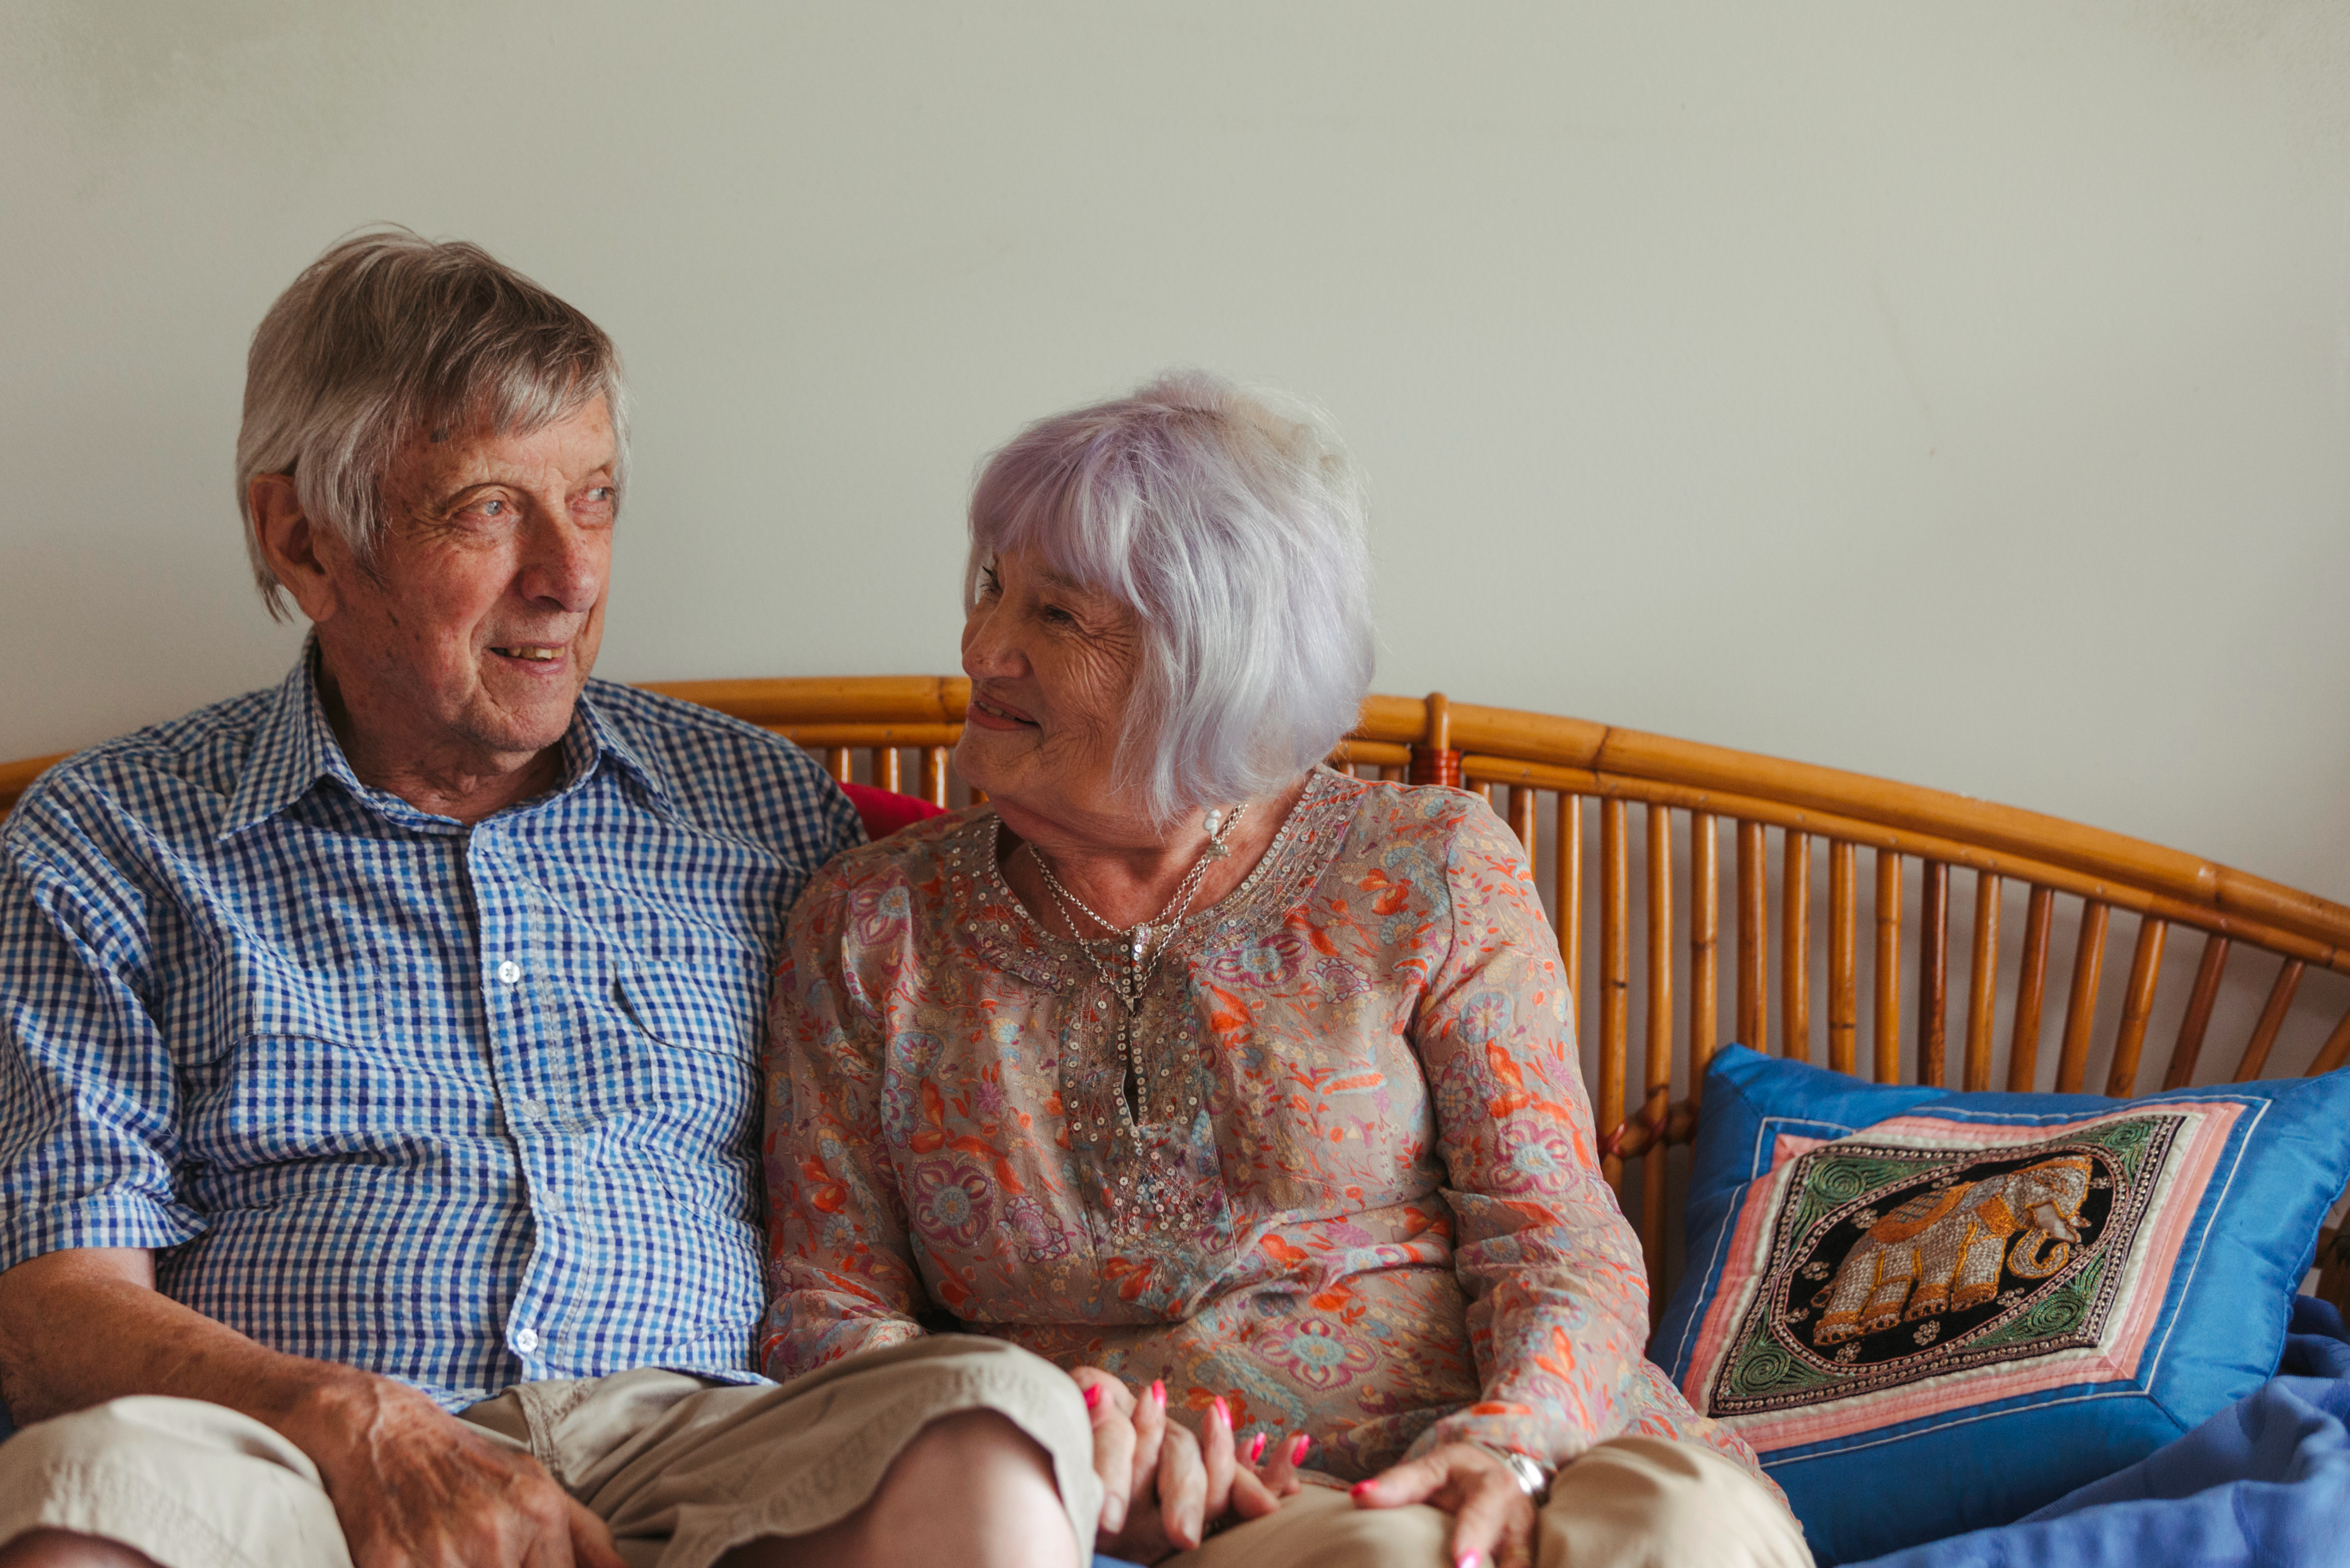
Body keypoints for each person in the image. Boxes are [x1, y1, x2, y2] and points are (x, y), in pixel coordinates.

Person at [0, 231, 1100, 1568]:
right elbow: (56, 1299)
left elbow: (978, 1160)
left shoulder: (762, 812)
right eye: (484, 508)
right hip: (294, 1464)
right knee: (85, 1492)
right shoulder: (108, 837)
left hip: (709, 1452)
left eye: (592, 499)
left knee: (993, 1426)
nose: (570, 578)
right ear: (301, 537)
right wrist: (362, 1429)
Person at [762, 373, 1818, 1568]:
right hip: (1241, 1501)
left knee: (1687, 1532)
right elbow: (830, 1314)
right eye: (991, 588)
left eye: (1054, 617)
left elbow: (1550, 1232)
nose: (981, 646)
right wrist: (1060, 1437)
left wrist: (1512, 1439)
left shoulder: (1425, 867)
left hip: (1537, 1436)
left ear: (1212, 658)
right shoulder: (871, 926)